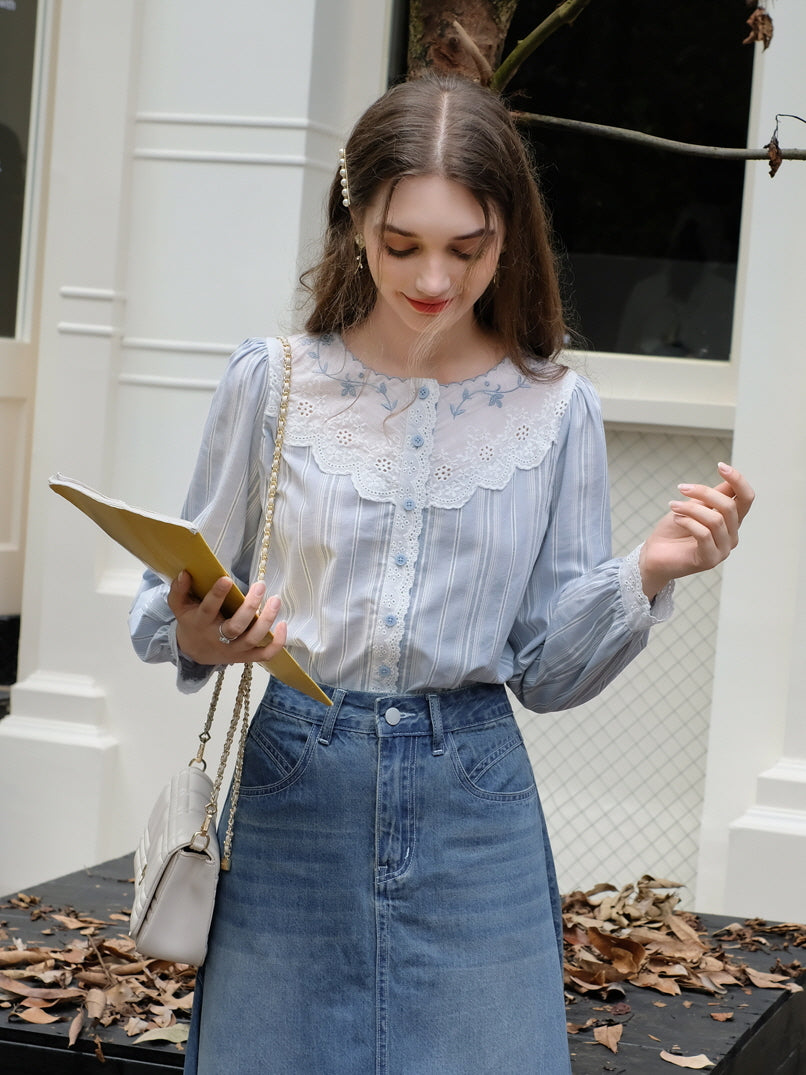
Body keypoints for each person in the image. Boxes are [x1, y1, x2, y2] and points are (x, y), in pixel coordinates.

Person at [129, 73, 754, 1075]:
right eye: (399, 244)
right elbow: (174, 606)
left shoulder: (555, 410)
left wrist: (646, 569)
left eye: (467, 248)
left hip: (473, 798)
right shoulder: (273, 380)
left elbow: (547, 672)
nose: (432, 278)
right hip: (295, 782)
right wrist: (206, 631)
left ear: (510, 236)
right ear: (353, 223)